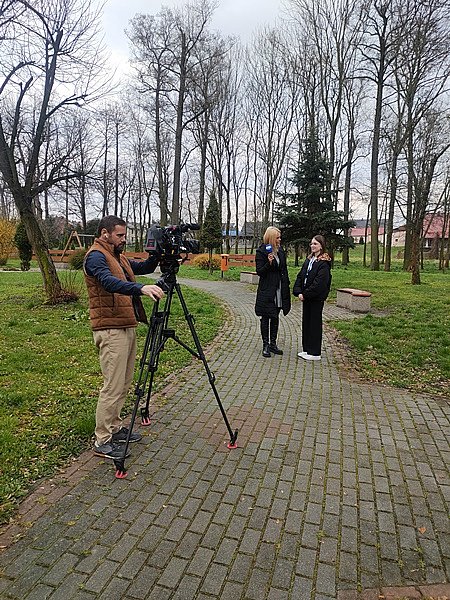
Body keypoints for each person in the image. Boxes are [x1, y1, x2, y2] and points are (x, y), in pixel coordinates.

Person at [83, 216, 165, 460]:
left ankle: (115, 427)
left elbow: (144, 267)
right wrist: (141, 288)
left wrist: (158, 254)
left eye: (124, 235)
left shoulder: (118, 257)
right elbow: (108, 282)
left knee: (124, 382)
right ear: (105, 233)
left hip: (125, 324)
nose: (124, 239)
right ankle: (102, 439)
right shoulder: (96, 256)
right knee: (113, 386)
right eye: (119, 235)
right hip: (110, 328)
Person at [292, 234, 332, 361]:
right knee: (307, 323)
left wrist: (306, 294)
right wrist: (298, 291)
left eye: (315, 244)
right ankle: (307, 349)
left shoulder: (324, 263)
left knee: (314, 324)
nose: (312, 246)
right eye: (311, 244)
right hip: (306, 298)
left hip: (316, 298)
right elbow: (301, 276)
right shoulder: (309, 260)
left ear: (321, 246)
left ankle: (315, 352)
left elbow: (319, 283)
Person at [255, 226, 291, 358]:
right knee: (266, 316)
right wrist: (268, 263)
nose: (280, 240)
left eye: (280, 237)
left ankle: (273, 344)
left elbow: (284, 269)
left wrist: (286, 284)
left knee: (275, 316)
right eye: (277, 238)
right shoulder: (261, 252)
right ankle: (265, 345)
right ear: (271, 238)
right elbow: (260, 271)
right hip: (267, 290)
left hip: (279, 288)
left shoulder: (280, 251)